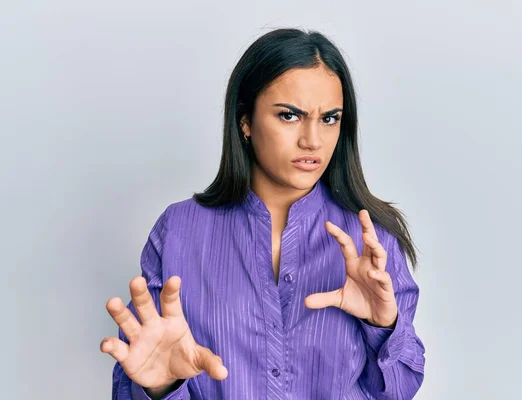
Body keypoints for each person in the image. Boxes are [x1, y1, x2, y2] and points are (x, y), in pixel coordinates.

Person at [100, 27, 426, 400]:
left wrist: (383, 325)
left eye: (329, 118)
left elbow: (399, 390)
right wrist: (159, 386)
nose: (313, 140)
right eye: (289, 116)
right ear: (245, 121)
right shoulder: (178, 231)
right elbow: (141, 372)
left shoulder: (372, 239)